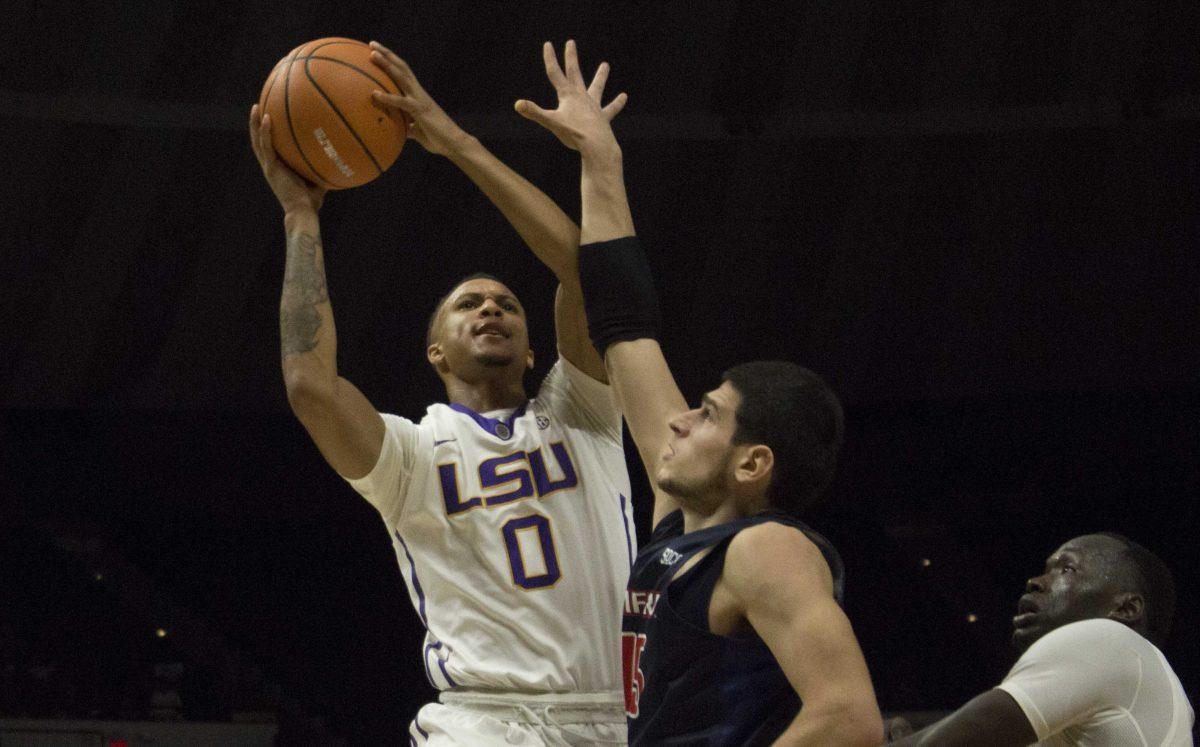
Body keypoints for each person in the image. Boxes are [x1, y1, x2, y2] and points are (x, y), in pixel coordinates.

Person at [250, 41, 635, 745]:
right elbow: (310, 384)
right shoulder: (411, 454)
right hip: (483, 721)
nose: (490, 308)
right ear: (435, 351)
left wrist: (456, 143)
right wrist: (301, 217)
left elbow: (585, 269)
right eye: (468, 305)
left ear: (533, 345)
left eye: (506, 304)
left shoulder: (585, 411)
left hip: (617, 715)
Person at [514, 41, 884, 745]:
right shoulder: (685, 530)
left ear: (753, 463)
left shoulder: (764, 549)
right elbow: (624, 326)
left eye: (709, 413)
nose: (679, 418)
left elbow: (848, 717)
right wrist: (602, 162)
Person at [890, 533, 1194, 746]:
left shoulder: (1108, 639)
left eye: (1067, 569)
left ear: (1125, 609)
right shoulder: (1147, 683)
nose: (1035, 582)